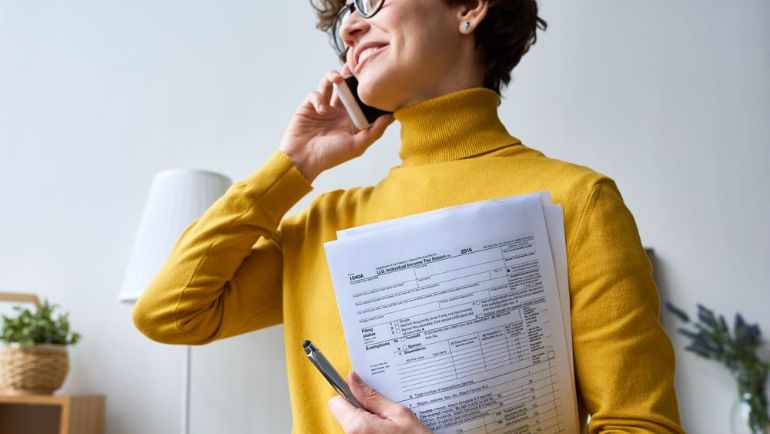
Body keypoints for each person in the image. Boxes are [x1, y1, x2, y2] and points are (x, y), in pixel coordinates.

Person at [131, 0, 686, 432]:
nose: (349, 28)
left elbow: (640, 427)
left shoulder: (579, 201)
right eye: (344, 13)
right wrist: (291, 168)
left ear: (469, 7)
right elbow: (169, 313)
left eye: (370, 1)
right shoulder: (323, 223)